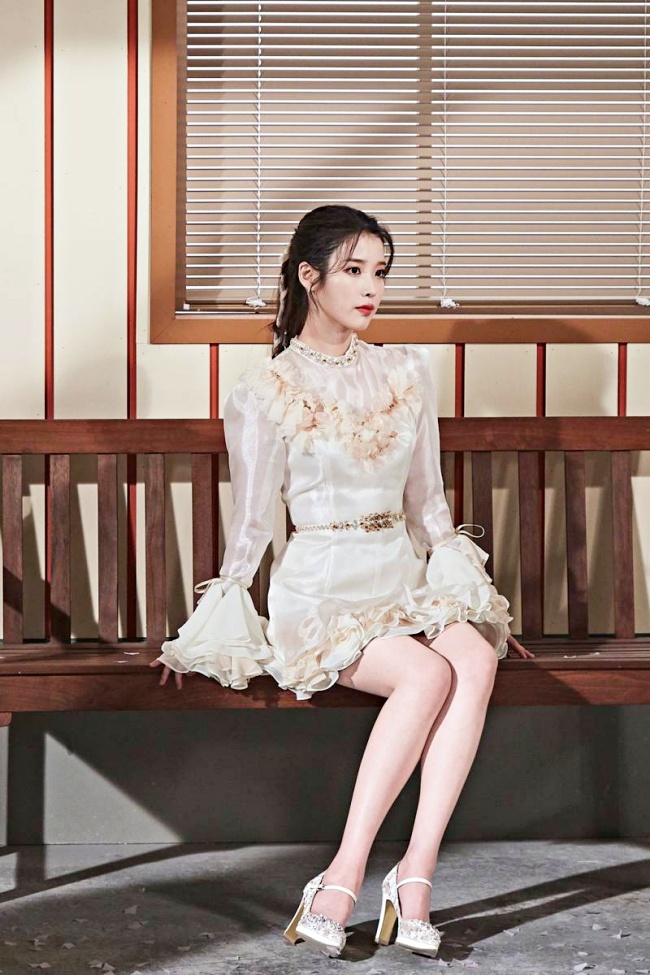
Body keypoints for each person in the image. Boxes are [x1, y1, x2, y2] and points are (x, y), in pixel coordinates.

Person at [150, 204, 532, 959]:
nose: (371, 288)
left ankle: (415, 876)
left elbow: (429, 504)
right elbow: (253, 522)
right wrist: (213, 621)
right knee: (427, 674)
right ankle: (343, 875)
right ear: (309, 277)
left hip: (403, 580)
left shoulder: (404, 372)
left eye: (380, 272)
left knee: (474, 655)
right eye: (353, 270)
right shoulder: (265, 389)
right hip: (322, 593)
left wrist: (470, 598)